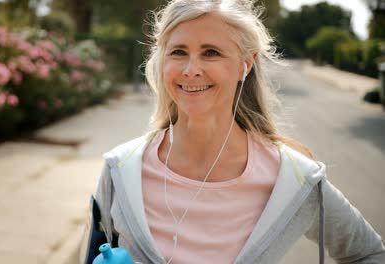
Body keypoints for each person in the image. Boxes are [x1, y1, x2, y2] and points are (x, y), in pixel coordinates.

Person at [84, 0, 385, 263]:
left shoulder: (293, 179)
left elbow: (368, 253)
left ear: (246, 64)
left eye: (211, 52)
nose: (191, 70)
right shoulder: (120, 169)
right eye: (178, 52)